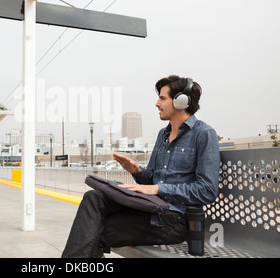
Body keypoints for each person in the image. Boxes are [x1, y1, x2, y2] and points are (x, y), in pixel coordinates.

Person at [61, 75, 220, 258]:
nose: (156, 104)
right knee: (94, 197)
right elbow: (152, 178)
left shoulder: (204, 134)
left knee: (94, 232)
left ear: (181, 101)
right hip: (149, 207)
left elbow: (207, 190)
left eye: (162, 98)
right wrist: (136, 171)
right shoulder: (163, 135)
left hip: (173, 219)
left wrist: (158, 189)